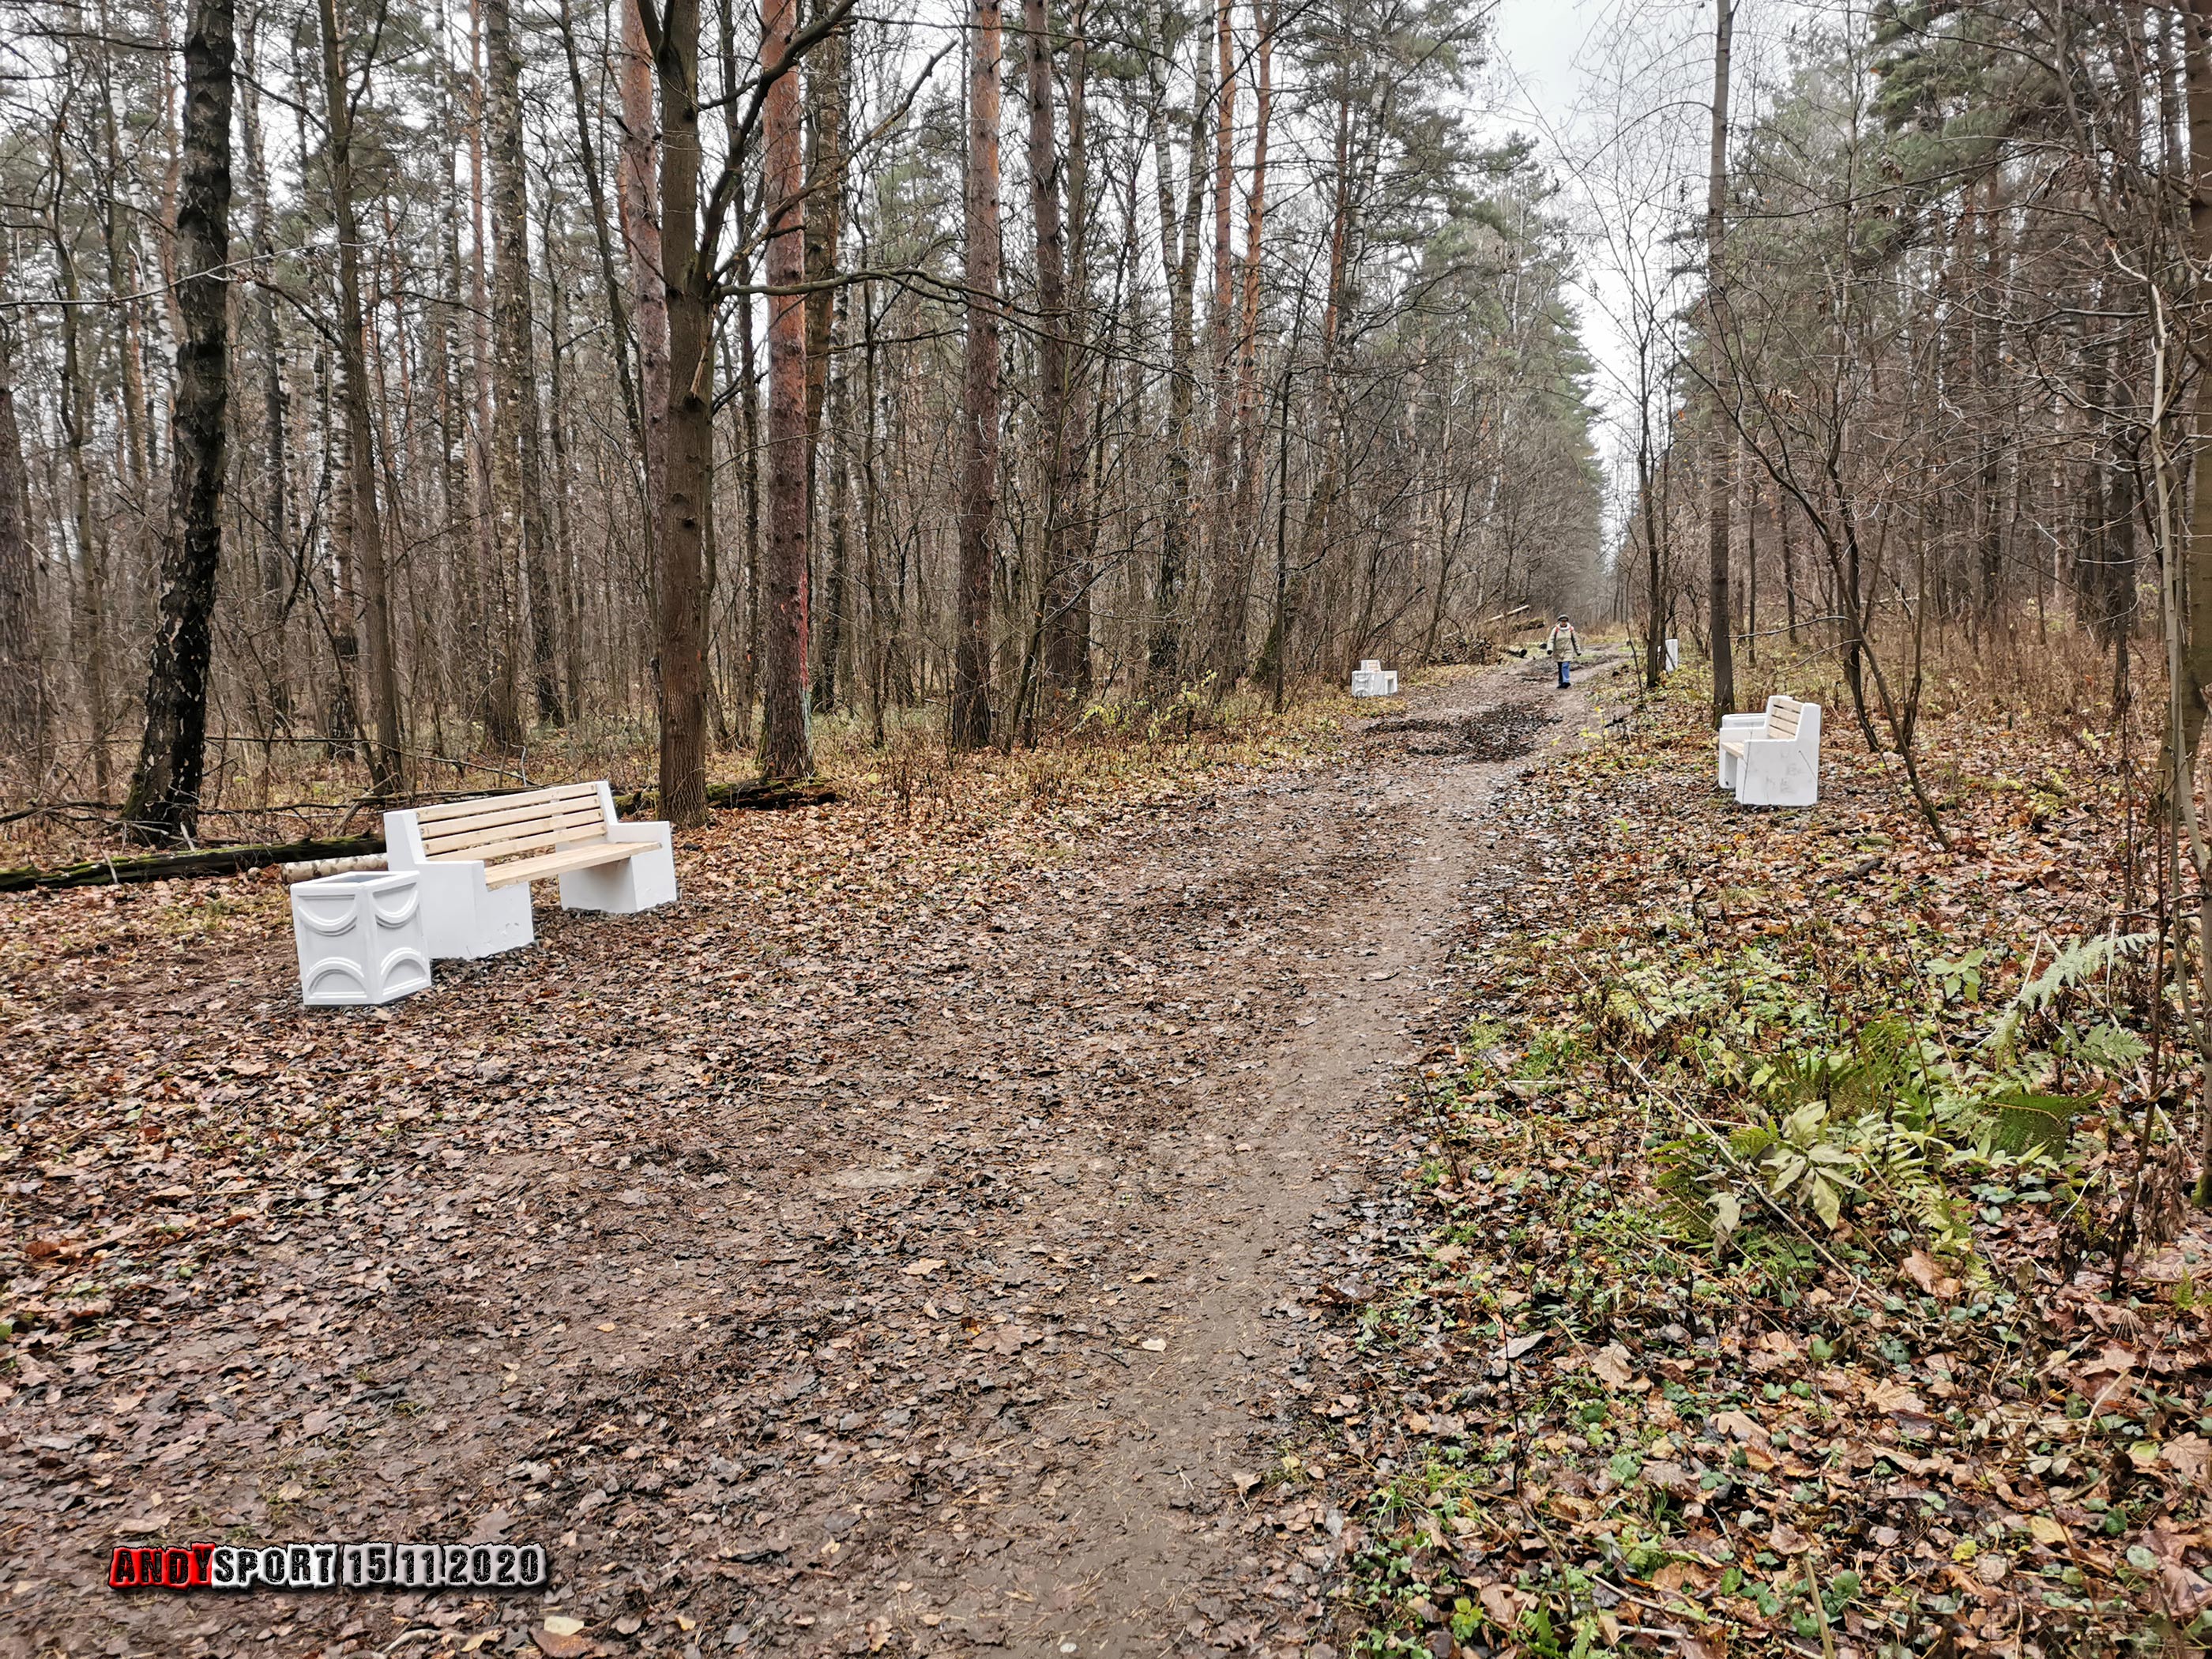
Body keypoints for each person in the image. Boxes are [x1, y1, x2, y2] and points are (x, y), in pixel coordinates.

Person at [1548, 615, 1581, 688]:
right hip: (1558, 651)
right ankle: (1561, 682)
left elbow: (1575, 641)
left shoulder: (1571, 629)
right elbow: (1551, 640)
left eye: (1565, 621)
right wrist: (1549, 649)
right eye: (1562, 621)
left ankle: (1566, 681)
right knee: (1560, 667)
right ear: (1560, 622)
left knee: (1565, 665)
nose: (1564, 623)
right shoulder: (1555, 630)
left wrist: (1578, 650)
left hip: (1568, 650)